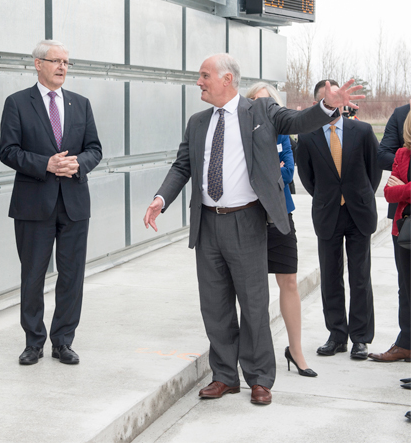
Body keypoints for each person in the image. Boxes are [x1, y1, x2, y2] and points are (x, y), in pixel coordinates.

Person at [143, 54, 362, 406]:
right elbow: (182, 165)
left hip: (246, 220)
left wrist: (327, 107)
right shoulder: (198, 122)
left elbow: (298, 120)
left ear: (227, 79)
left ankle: (259, 378)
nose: (199, 82)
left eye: (204, 76)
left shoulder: (260, 111)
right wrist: (160, 198)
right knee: (214, 306)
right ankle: (225, 376)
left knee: (254, 304)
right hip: (208, 222)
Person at [0, 40, 102, 366]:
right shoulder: (17, 103)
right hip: (34, 203)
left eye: (66, 62)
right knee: (33, 276)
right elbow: (8, 151)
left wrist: (79, 164)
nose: (62, 67)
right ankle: (33, 342)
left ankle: (63, 342)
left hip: (73, 203)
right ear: (37, 64)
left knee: (72, 276)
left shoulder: (80, 104)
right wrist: (45, 163)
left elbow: (94, 149)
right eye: (55, 61)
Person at [296, 79, 382, 360]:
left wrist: (357, 196)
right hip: (327, 213)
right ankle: (336, 335)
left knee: (360, 278)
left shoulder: (363, 131)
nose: (334, 104)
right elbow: (308, 179)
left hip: (358, 213)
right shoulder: (307, 137)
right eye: (327, 99)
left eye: (337, 99)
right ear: (316, 104)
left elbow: (374, 173)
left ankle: (360, 338)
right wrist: (328, 197)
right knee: (331, 278)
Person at [245, 82, 316, 377]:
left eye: (268, 102)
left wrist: (267, 167)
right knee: (253, 288)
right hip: (249, 219)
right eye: (256, 102)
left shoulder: (283, 134)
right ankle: (255, 353)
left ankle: (295, 350)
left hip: (280, 217)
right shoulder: (242, 136)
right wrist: (270, 166)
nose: (263, 108)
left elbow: (288, 173)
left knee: (288, 281)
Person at [369, 100, 411, 363]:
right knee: (405, 285)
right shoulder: (401, 114)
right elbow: (383, 154)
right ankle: (405, 343)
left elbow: (396, 188)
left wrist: (404, 185)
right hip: (404, 224)